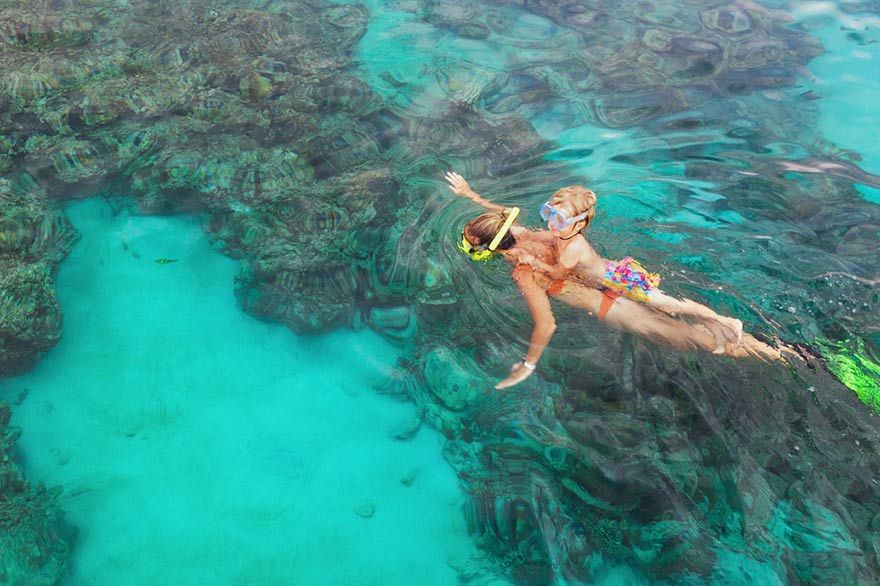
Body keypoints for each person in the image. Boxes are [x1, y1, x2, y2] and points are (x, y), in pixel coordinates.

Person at [446, 171, 783, 389]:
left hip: (613, 307)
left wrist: (528, 364)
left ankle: (785, 357)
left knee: (699, 340)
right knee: (676, 312)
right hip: (616, 285)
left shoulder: (524, 272)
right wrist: (471, 195)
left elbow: (547, 326)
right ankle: (774, 348)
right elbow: (501, 213)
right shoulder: (527, 232)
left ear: (488, 250)